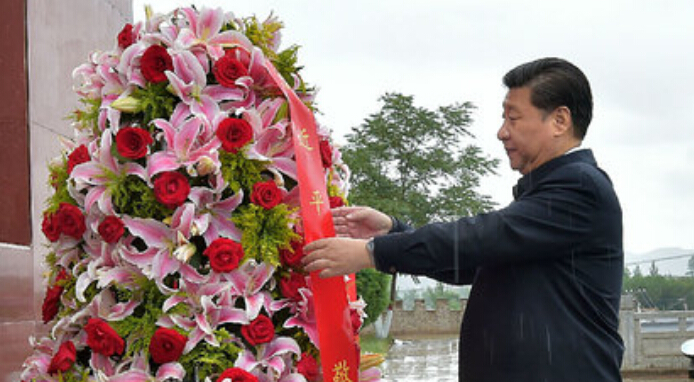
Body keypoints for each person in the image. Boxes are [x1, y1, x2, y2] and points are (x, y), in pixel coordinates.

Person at [303, 57, 624, 381]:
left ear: (559, 120)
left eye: (513, 118)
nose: (502, 132)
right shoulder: (548, 195)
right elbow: (474, 258)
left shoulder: (581, 187)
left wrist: (371, 252)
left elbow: (483, 236)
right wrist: (391, 231)